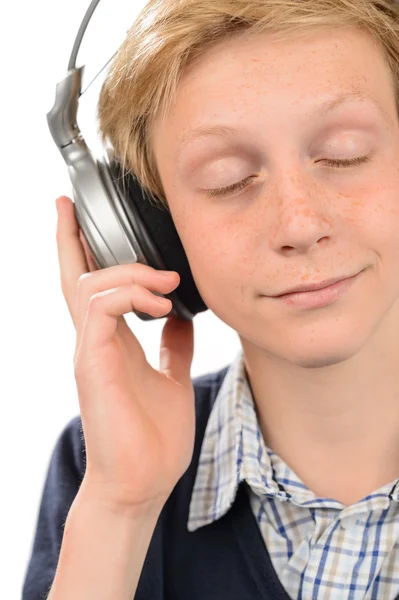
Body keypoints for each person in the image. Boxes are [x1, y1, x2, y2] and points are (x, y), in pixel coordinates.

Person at [22, 0, 399, 598]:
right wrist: (121, 510)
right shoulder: (100, 467)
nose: (299, 224)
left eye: (345, 151)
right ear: (150, 235)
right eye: (227, 179)